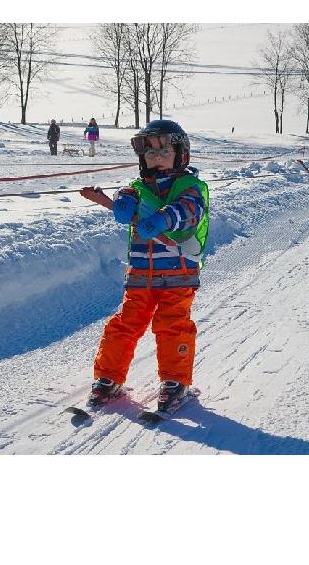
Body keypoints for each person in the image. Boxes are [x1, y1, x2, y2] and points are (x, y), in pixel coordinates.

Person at [88, 120, 209, 414]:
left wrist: (166, 218)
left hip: (179, 274)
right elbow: (124, 194)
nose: (155, 157)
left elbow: (189, 210)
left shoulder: (191, 187)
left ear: (181, 154)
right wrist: (120, 202)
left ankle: (174, 381)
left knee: (172, 326)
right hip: (141, 275)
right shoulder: (138, 189)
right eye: (150, 153)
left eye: (164, 150)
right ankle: (107, 378)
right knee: (124, 325)